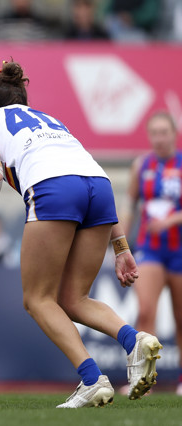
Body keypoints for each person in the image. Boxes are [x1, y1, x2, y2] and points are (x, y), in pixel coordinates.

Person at [0, 60, 163, 408]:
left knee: (37, 298)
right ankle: (134, 341)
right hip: (99, 188)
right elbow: (86, 173)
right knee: (73, 298)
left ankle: (92, 380)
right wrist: (121, 246)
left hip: (53, 188)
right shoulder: (53, 121)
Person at [120, 111, 182, 397]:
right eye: (154, 133)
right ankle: (142, 383)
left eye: (164, 132)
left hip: (179, 248)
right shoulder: (140, 165)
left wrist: (171, 221)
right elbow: (130, 207)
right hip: (150, 248)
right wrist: (120, 246)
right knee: (145, 311)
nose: (159, 138)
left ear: (173, 133)